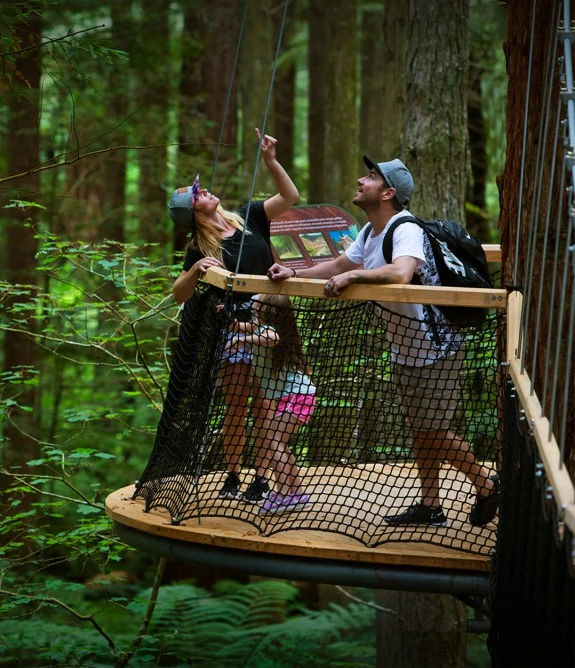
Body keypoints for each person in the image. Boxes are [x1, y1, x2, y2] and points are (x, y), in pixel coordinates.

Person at [267, 156, 500, 526]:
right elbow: (337, 266)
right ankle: (430, 505)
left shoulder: (404, 228)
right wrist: (294, 271)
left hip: (436, 346)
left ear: (388, 192)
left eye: (372, 177)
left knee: (433, 431)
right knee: (421, 431)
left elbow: (402, 271)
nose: (361, 180)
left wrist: (356, 276)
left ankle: (486, 483)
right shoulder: (370, 231)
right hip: (406, 347)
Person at [168, 128, 300, 500]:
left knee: (267, 406)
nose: (206, 191)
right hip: (233, 332)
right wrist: (194, 271)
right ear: (194, 212)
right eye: (198, 195)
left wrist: (271, 162)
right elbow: (180, 295)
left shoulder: (249, 217)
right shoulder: (199, 247)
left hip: (270, 323)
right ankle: (233, 475)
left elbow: (290, 196)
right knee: (240, 405)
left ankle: (261, 476)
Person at [227, 293, 315, 514]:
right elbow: (242, 327)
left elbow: (271, 338)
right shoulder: (259, 327)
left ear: (268, 311)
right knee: (279, 441)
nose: (254, 300)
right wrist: (228, 318)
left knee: (273, 439)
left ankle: (285, 494)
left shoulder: (271, 331)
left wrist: (242, 340)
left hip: (297, 396)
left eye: (258, 301)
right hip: (297, 396)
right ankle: (296, 492)